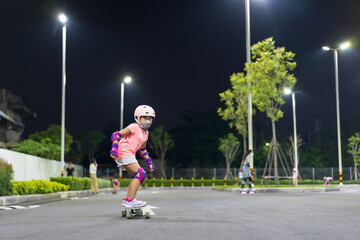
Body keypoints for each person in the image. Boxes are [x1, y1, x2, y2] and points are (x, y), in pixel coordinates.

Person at [110, 105, 155, 208]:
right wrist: (114, 147)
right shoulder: (134, 126)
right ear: (138, 118)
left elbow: (142, 149)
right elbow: (116, 134)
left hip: (130, 154)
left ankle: (129, 199)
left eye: (150, 118)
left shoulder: (146, 133)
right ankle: (129, 200)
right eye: (145, 118)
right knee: (140, 174)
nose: (148, 120)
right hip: (124, 151)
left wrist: (149, 162)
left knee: (138, 175)